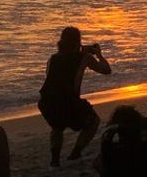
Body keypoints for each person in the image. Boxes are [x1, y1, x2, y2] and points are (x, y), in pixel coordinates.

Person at [38, 26, 112, 167]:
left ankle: (55, 160)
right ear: (78, 41)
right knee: (93, 122)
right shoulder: (84, 57)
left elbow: (50, 77)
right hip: (69, 101)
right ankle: (76, 153)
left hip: (46, 101)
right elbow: (106, 70)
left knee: (57, 127)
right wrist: (99, 55)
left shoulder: (52, 58)